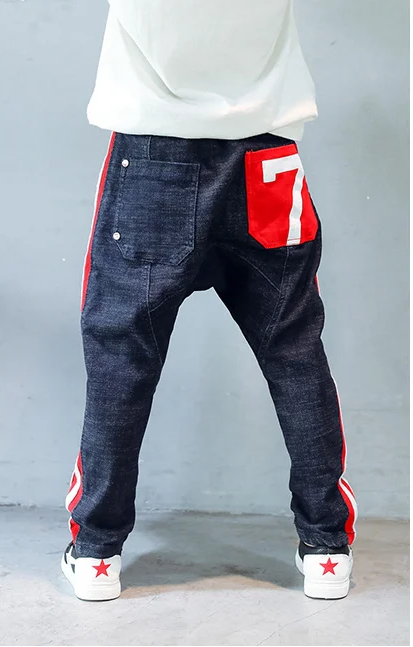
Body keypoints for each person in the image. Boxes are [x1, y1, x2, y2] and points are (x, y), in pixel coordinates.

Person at [61, 0, 357, 602]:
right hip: (268, 159)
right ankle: (327, 548)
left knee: (122, 361)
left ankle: (96, 552)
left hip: (154, 156)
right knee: (294, 353)